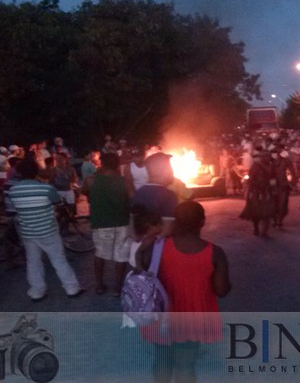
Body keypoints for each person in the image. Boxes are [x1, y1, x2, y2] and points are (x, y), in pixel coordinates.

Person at [136, 201, 231, 383]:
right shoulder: (215, 253)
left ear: (175, 222)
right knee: (186, 366)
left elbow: (142, 270)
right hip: (192, 319)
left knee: (162, 361)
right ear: (202, 222)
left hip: (162, 317)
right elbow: (222, 291)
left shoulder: (157, 247)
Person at [8, 158, 84, 301]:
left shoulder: (13, 190)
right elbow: (58, 201)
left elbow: (16, 209)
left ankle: (37, 292)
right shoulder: (46, 188)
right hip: (48, 231)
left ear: (19, 173)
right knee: (59, 260)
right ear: (36, 171)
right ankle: (72, 288)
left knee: (33, 262)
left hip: (28, 233)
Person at [81, 152, 132, 296]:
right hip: (122, 222)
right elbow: (133, 198)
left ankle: (99, 285)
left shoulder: (91, 180)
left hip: (101, 223)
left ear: (101, 164)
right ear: (117, 165)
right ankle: (117, 288)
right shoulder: (125, 182)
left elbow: (83, 191)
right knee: (121, 256)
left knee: (100, 254)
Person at [131, 152, 178, 237]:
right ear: (164, 170)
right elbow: (167, 230)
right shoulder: (169, 196)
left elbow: (132, 227)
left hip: (143, 246)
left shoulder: (139, 192)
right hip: (161, 247)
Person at [239, 150, 276, 237]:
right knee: (256, 211)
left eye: (269, 156)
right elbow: (251, 178)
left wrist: (273, 187)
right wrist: (257, 185)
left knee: (268, 211)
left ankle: (264, 231)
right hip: (256, 191)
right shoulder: (256, 166)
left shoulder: (271, 166)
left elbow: (273, 178)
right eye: (266, 156)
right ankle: (256, 228)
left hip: (267, 191)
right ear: (261, 157)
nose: (268, 158)